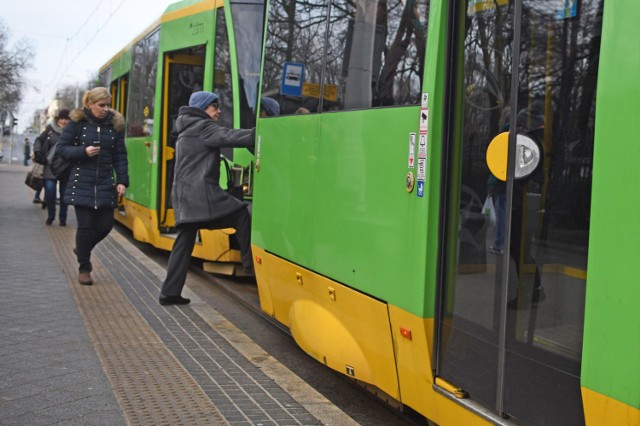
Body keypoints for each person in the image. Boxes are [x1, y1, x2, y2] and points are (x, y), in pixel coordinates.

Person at [160, 91, 255, 305]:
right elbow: (230, 136)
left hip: (184, 197)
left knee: (183, 243)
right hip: (202, 195)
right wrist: (261, 133)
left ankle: (169, 292)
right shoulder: (203, 127)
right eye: (214, 106)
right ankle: (250, 267)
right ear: (203, 108)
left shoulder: (186, 128)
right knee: (241, 213)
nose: (218, 110)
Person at [57, 88, 128, 286]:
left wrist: (122, 180)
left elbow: (120, 156)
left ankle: (82, 248)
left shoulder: (115, 126)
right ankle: (84, 268)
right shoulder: (77, 123)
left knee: (106, 226)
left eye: (108, 105)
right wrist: (83, 151)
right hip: (82, 182)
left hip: (105, 183)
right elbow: (62, 149)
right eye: (101, 105)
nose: (105, 109)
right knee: (85, 227)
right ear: (90, 104)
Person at [33, 109, 71, 226]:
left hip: (66, 166)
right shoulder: (50, 129)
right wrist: (38, 152)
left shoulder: (73, 131)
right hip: (50, 165)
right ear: (58, 119)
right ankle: (51, 215)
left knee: (65, 195)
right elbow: (39, 140)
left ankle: (63, 219)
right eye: (62, 119)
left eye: (66, 119)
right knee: (50, 191)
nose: (64, 121)